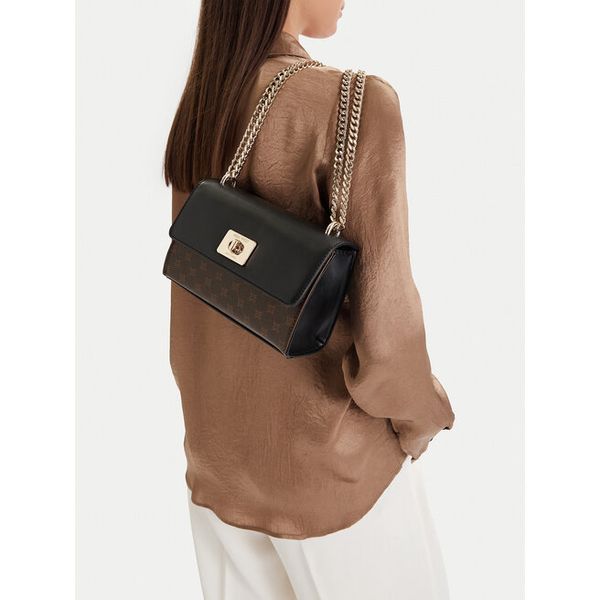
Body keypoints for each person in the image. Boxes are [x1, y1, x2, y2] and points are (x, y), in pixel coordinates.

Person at [163, 1, 455, 598]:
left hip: (218, 471)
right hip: (334, 481)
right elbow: (389, 343)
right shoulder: (356, 104)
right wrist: (424, 419)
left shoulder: (207, 99)